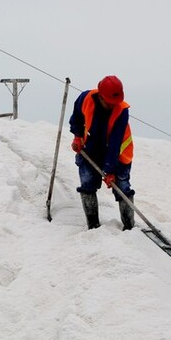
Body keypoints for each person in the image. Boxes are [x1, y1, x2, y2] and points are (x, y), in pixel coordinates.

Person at [68, 75, 136, 230]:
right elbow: (76, 118)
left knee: (123, 187)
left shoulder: (122, 111)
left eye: (115, 103)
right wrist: (77, 136)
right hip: (90, 150)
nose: (113, 106)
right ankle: (93, 226)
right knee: (87, 184)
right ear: (101, 96)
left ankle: (130, 227)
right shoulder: (85, 98)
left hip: (119, 154)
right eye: (110, 103)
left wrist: (110, 169)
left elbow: (115, 143)